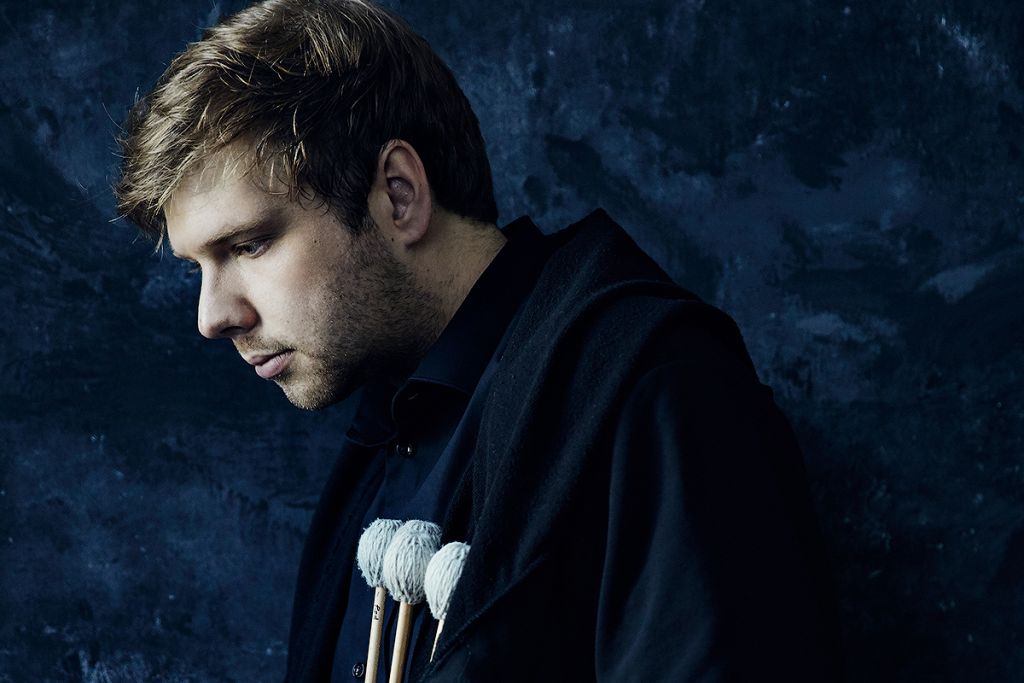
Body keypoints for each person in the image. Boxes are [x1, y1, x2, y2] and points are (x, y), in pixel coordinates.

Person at [115, 0, 844, 680]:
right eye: (197, 266)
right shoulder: (381, 428)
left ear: (398, 195)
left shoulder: (658, 392)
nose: (212, 316)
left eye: (248, 245)